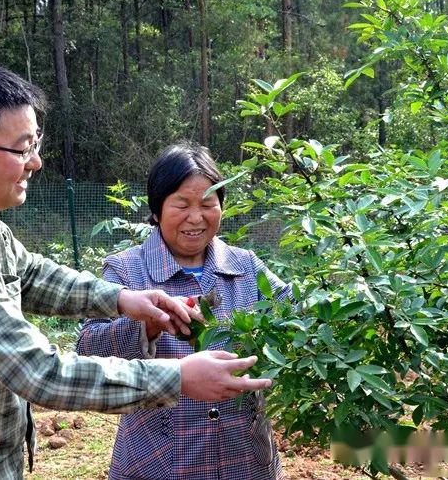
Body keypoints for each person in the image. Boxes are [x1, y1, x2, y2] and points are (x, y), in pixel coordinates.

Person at [0, 65, 271, 479]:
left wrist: (123, 300)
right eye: (21, 150)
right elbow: (42, 373)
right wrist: (178, 377)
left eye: (36, 143)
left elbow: (30, 272)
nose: (35, 162)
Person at [77, 142, 290, 480]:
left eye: (208, 203)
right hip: (159, 463)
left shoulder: (247, 267)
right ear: (157, 209)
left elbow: (296, 315)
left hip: (246, 462)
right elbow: (89, 349)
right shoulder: (126, 271)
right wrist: (147, 325)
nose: (196, 217)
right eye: (182, 204)